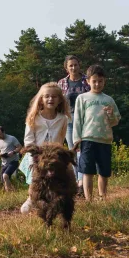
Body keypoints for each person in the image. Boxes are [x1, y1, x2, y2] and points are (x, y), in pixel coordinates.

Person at [19, 82, 70, 214]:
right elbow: (28, 139)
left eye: (54, 96)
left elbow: (60, 139)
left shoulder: (63, 119)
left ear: (60, 100)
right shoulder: (34, 117)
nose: (50, 99)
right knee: (35, 177)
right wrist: (34, 154)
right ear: (41, 99)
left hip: (53, 156)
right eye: (47, 96)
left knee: (53, 177)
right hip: (36, 155)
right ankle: (31, 198)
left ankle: (51, 199)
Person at [73, 65, 121, 201]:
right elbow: (77, 119)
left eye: (100, 81)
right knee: (87, 170)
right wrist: (76, 139)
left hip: (105, 139)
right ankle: (88, 199)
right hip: (87, 139)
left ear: (104, 81)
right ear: (87, 81)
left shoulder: (109, 100)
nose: (97, 84)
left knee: (104, 171)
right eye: (94, 81)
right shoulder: (82, 98)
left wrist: (111, 115)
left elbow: (116, 121)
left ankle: (102, 196)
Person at [58, 55, 90, 194]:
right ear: (66, 68)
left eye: (75, 65)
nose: (73, 68)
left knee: (84, 151)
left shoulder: (86, 80)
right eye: (70, 65)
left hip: (85, 120)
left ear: (79, 65)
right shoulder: (61, 83)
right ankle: (78, 182)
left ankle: (83, 182)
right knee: (73, 151)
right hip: (69, 120)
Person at [0, 126, 22, 191]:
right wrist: (0, 155)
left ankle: (9, 193)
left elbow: (20, 147)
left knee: (5, 175)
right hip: (4, 163)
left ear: (3, 132)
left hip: (13, 161)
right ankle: (13, 191)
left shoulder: (12, 138)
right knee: (3, 180)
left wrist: (13, 152)